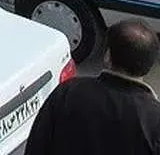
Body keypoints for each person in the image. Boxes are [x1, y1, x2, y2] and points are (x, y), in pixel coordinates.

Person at [24, 18, 160, 155]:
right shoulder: (154, 120)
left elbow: (37, 146)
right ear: (148, 66)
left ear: (107, 56)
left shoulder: (68, 92)